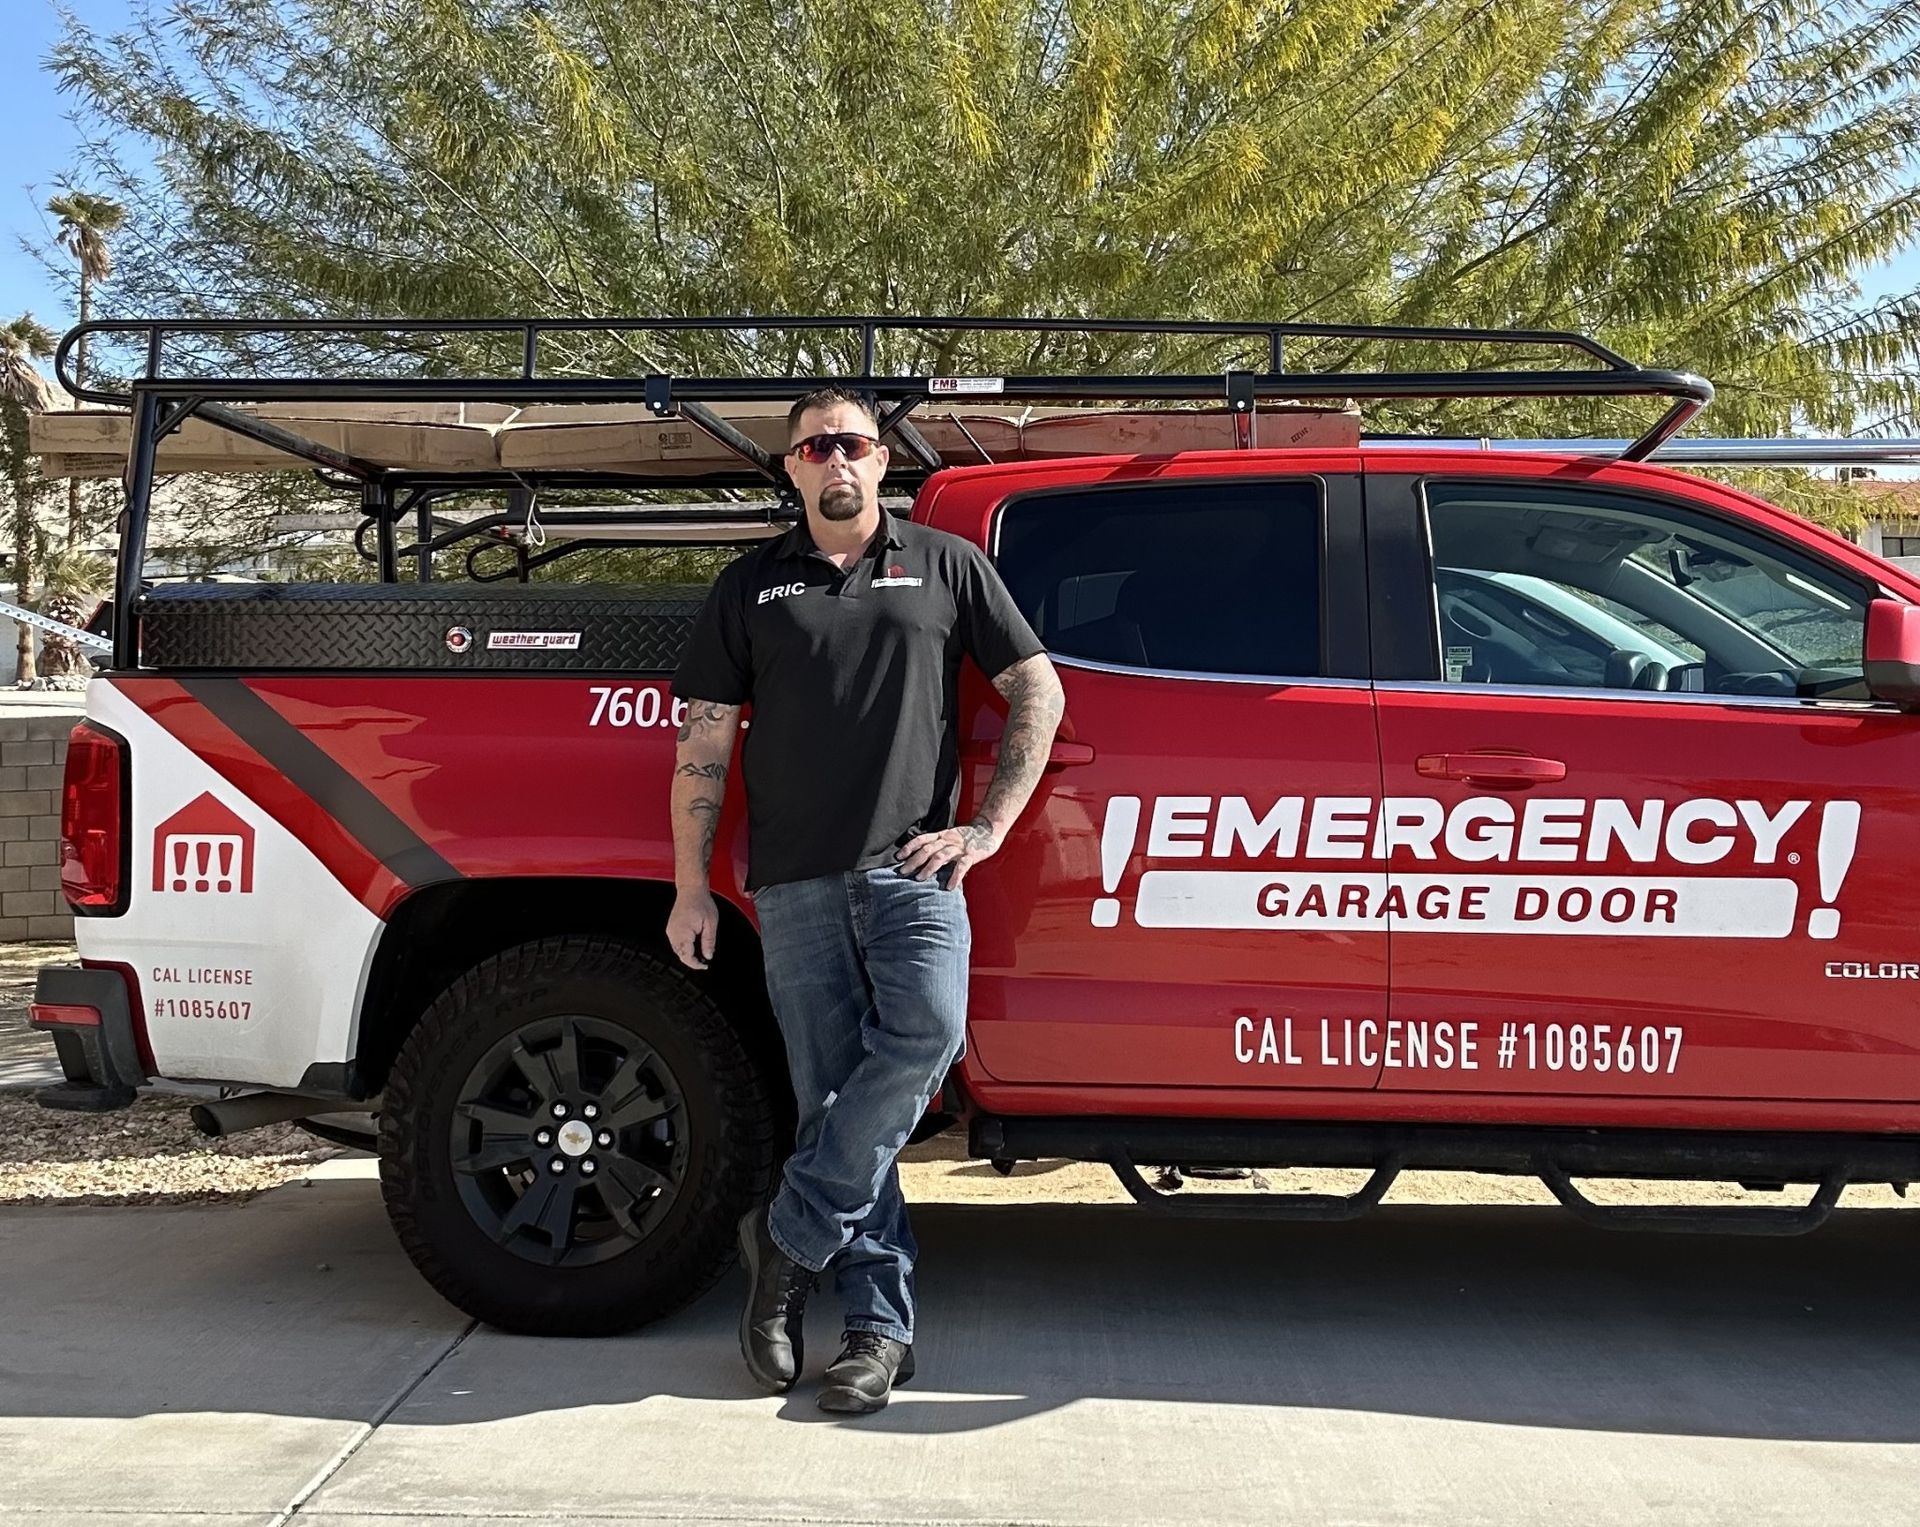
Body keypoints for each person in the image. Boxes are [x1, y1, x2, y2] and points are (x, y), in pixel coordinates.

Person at [667, 385, 1065, 1414]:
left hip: (915, 871)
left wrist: (987, 828)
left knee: (927, 1040)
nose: (833, 460)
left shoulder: (946, 565)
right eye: (812, 448)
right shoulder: (750, 587)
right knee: (835, 1100)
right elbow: (704, 742)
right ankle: (879, 1337)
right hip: (792, 884)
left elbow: (1038, 686)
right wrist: (690, 887)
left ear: (881, 461)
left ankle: (787, 1239)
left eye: (850, 443)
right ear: (791, 469)